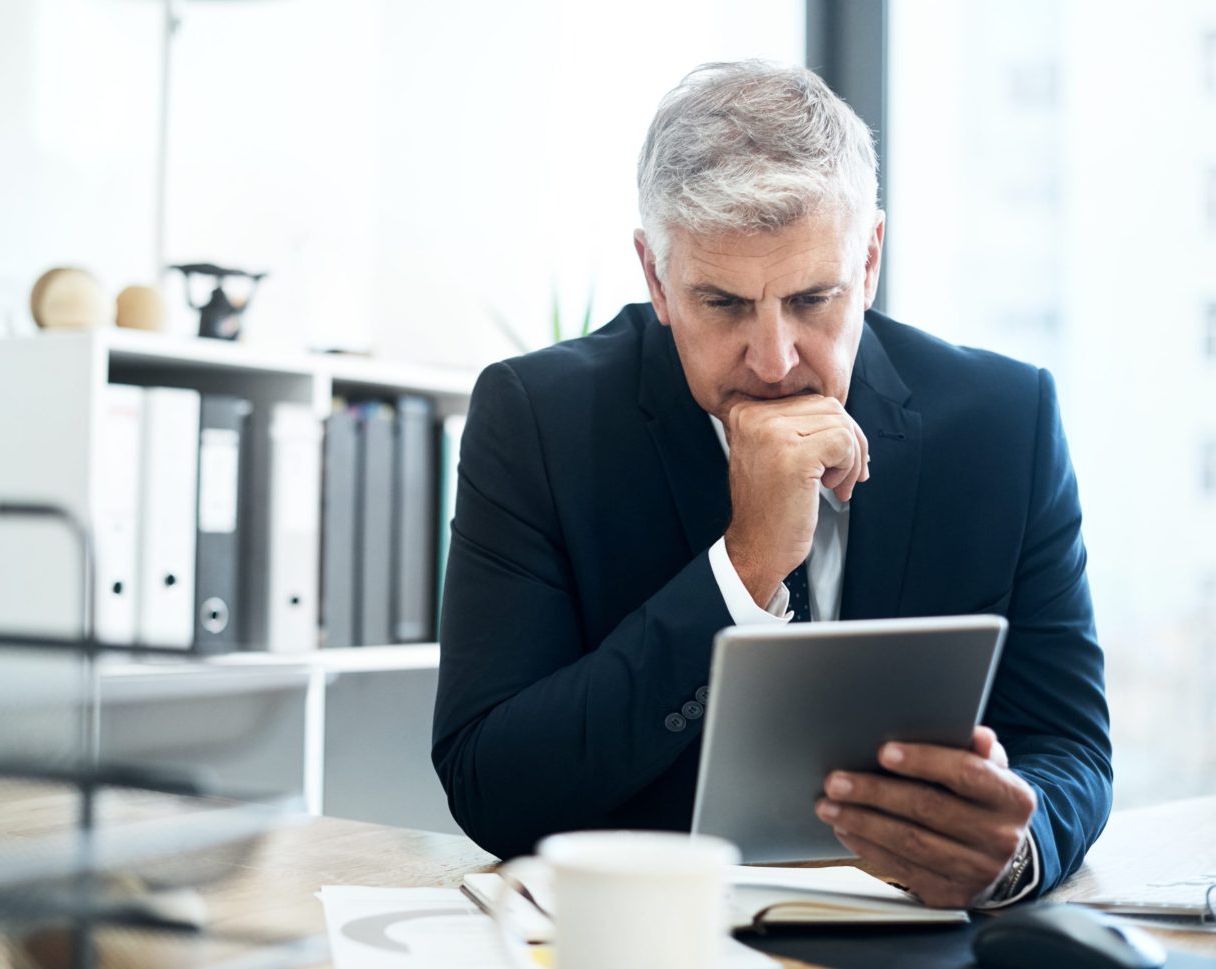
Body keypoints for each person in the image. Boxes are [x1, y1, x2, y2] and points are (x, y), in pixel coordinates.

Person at [433, 60, 1112, 908]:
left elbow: (1070, 745)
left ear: (868, 260)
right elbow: (491, 784)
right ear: (656, 278)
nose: (774, 359)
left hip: (915, 941)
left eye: (812, 298)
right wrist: (743, 567)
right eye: (721, 303)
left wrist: (1014, 849)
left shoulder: (1006, 423)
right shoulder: (538, 419)